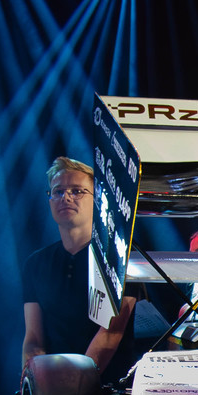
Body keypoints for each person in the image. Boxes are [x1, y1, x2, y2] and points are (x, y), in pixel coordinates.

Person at [22, 156, 135, 374]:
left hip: (107, 385)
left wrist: (74, 384)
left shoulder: (120, 258)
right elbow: (33, 339)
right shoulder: (35, 263)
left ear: (97, 199)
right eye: (58, 191)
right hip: (51, 383)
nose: (66, 197)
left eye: (77, 191)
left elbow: (110, 333)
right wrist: (34, 383)